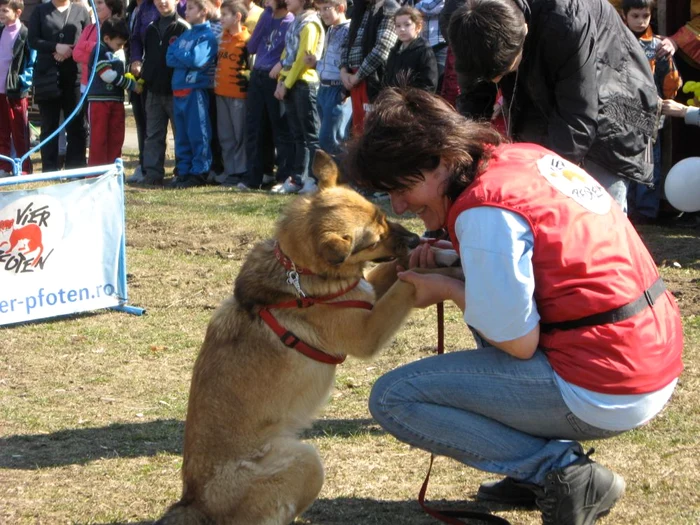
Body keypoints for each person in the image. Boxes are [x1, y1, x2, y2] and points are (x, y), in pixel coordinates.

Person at [344, 88, 684, 525]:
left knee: (393, 398)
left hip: (608, 381)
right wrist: (457, 260)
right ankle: (532, 469)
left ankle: (557, 472)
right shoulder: (520, 157)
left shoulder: (485, 212)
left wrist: (445, 289)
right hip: (647, 350)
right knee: (490, 310)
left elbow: (518, 342)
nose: (400, 205)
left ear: (442, 160)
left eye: (401, 187)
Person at [439, 0, 660, 214]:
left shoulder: (566, 16)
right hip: (542, 85)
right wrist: (460, 178)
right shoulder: (461, 17)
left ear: (523, 30)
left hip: (615, 95)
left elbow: (577, 119)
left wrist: (536, 188)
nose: (496, 83)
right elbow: (473, 101)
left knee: (597, 207)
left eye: (505, 71)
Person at [622, 0, 682, 225]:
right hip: (621, 114)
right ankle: (625, 210)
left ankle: (646, 212)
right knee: (624, 163)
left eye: (645, 16)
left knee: (649, 166)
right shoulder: (615, 41)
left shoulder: (658, 45)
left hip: (651, 117)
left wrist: (672, 79)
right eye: (635, 16)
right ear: (624, 15)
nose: (640, 21)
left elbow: (670, 86)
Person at [28, 0, 90, 172]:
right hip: (47, 76)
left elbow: (89, 39)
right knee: (49, 125)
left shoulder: (81, 11)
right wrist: (56, 47)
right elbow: (33, 39)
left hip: (74, 76)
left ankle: (75, 169)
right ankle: (49, 170)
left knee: (77, 125)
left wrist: (68, 51)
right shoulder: (40, 11)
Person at [238, 0, 293, 190]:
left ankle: (283, 177)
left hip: (275, 78)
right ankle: (254, 176)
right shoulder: (265, 16)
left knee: (279, 128)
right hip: (258, 75)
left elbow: (291, 54)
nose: (266, 2)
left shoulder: (291, 21)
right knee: (254, 127)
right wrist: (264, 20)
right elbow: (251, 47)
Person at [271, 0, 324, 194]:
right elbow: (288, 54)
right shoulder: (296, 22)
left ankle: (315, 179)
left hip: (304, 84)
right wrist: (281, 80)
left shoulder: (310, 23)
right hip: (291, 83)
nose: (286, 1)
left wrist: (287, 83)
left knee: (311, 135)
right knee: (297, 136)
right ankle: (298, 178)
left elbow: (303, 59)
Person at [166, 0, 218, 188]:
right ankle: (184, 170)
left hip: (195, 91)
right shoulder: (186, 34)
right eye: (186, 8)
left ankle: (200, 171)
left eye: (191, 8)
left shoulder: (207, 36)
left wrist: (180, 53)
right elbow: (168, 57)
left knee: (198, 133)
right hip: (178, 90)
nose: (186, 12)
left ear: (203, 11)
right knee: (182, 135)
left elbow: (196, 60)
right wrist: (183, 55)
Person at [137, 0, 189, 185]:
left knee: (180, 133)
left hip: (175, 91)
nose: (162, 2)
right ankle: (152, 173)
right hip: (153, 90)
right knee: (153, 134)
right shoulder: (151, 28)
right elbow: (148, 55)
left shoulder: (183, 28)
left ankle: (181, 172)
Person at [86, 16, 141, 166]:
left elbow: (118, 71)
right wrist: (131, 84)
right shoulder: (100, 51)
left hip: (116, 101)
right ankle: (96, 173)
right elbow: (107, 75)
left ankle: (113, 169)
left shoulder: (115, 52)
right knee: (99, 139)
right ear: (107, 38)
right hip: (99, 101)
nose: (121, 48)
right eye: (119, 44)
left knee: (116, 137)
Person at [339, 0, 398, 135]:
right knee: (358, 132)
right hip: (354, 81)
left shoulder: (390, 9)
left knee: (372, 133)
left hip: (374, 81)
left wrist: (358, 75)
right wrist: (343, 71)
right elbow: (346, 43)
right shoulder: (362, 9)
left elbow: (383, 48)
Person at [302, 0, 351, 158]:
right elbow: (331, 61)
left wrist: (345, 91)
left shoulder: (349, 30)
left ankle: (344, 178)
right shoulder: (330, 29)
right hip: (323, 88)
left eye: (326, 9)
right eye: (319, 10)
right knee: (325, 138)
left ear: (341, 8)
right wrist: (316, 63)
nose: (322, 13)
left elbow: (348, 62)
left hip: (336, 90)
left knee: (332, 140)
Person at [214, 0, 250, 184]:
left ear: (237, 16)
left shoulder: (247, 40)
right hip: (221, 93)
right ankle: (229, 169)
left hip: (239, 96)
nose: (221, 18)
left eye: (225, 15)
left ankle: (241, 171)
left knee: (239, 135)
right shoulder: (222, 38)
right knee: (225, 135)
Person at [126, 0, 160, 182]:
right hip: (139, 72)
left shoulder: (166, 5)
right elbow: (135, 39)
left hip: (163, 73)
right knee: (142, 121)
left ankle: (179, 168)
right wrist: (136, 59)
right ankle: (145, 165)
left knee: (155, 123)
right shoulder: (139, 9)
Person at [0, 0, 35, 176]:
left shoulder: (25, 33)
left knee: (19, 131)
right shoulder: (0, 31)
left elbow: (31, 61)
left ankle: (25, 167)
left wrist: (23, 80)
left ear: (18, 12)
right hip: (0, 90)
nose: (1, 14)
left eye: (5, 10)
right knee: (2, 131)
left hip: (15, 91)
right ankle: (4, 166)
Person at [72, 0, 124, 94]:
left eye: (99, 3)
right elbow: (76, 54)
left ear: (111, 6)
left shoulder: (119, 28)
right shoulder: (89, 28)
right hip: (86, 86)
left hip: (109, 88)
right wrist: (100, 52)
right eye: (94, 4)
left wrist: (89, 46)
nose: (96, 7)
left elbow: (114, 57)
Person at [383, 6, 438, 93]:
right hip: (394, 102)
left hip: (414, 103)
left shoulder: (424, 51)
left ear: (418, 27)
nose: (402, 29)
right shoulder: (394, 52)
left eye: (407, 24)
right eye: (398, 26)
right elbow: (387, 80)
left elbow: (429, 85)